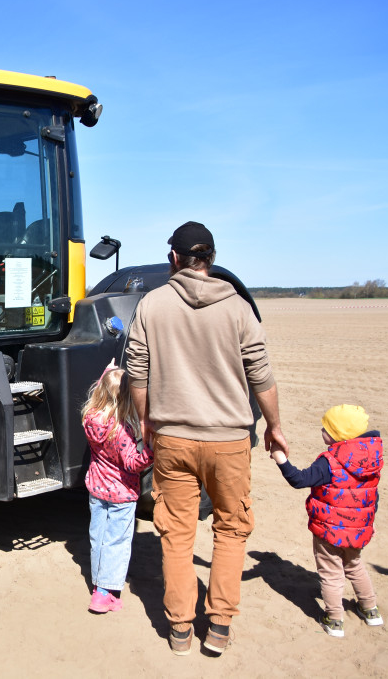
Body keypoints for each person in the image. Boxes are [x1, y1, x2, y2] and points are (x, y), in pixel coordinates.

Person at [125, 221, 289, 656]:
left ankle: (179, 630)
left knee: (176, 534)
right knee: (231, 531)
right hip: (229, 441)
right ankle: (217, 628)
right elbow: (261, 374)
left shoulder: (152, 304)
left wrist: (145, 421)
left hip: (173, 439)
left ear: (174, 259)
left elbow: (137, 371)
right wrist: (273, 426)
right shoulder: (237, 306)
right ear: (211, 259)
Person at [269, 404, 384, 637]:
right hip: (358, 528)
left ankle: (334, 619)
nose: (322, 431)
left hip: (329, 530)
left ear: (338, 434)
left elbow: (299, 480)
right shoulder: (372, 458)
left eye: (326, 428)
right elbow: (373, 494)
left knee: (331, 573)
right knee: (354, 565)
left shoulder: (329, 462)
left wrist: (281, 460)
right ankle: (370, 609)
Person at [81, 360, 154, 613]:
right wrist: (151, 452)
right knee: (117, 541)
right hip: (122, 494)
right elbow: (133, 464)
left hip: (97, 490)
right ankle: (104, 593)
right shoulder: (121, 431)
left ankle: (97, 583)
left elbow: (107, 387)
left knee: (98, 537)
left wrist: (107, 372)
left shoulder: (90, 420)